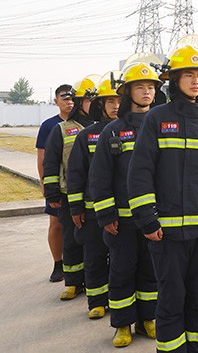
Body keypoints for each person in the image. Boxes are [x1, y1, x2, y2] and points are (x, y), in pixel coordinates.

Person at [128, 43, 198, 353]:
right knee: (172, 300)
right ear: (175, 80)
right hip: (168, 232)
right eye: (188, 75)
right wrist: (147, 219)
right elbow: (140, 173)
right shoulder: (157, 119)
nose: (195, 81)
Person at [90, 61, 162, 347]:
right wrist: (106, 214)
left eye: (151, 87)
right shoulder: (113, 131)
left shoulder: (162, 127)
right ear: (127, 92)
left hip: (153, 218)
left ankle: (147, 319)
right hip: (121, 221)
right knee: (121, 271)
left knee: (151, 270)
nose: (146, 92)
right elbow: (100, 176)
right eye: (140, 87)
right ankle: (122, 325)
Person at [67, 72, 121, 319]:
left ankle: (118, 301)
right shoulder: (86, 135)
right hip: (92, 211)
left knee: (123, 261)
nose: (115, 106)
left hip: (123, 211)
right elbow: (76, 174)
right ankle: (96, 301)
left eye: (119, 100)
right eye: (110, 102)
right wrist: (76, 208)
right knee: (95, 256)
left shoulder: (133, 131)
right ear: (101, 104)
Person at [43, 74, 98, 300]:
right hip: (69, 195)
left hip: (96, 195)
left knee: (95, 243)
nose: (92, 105)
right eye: (87, 100)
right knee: (72, 239)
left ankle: (95, 281)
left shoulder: (102, 128)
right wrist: (52, 192)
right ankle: (73, 282)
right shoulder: (62, 129)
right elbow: (51, 162)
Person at [36, 84, 73, 283]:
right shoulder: (49, 126)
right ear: (56, 101)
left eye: (71, 98)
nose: (69, 102)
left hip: (76, 185)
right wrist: (45, 184)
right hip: (56, 184)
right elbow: (42, 157)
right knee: (56, 224)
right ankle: (58, 263)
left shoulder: (82, 122)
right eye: (64, 98)